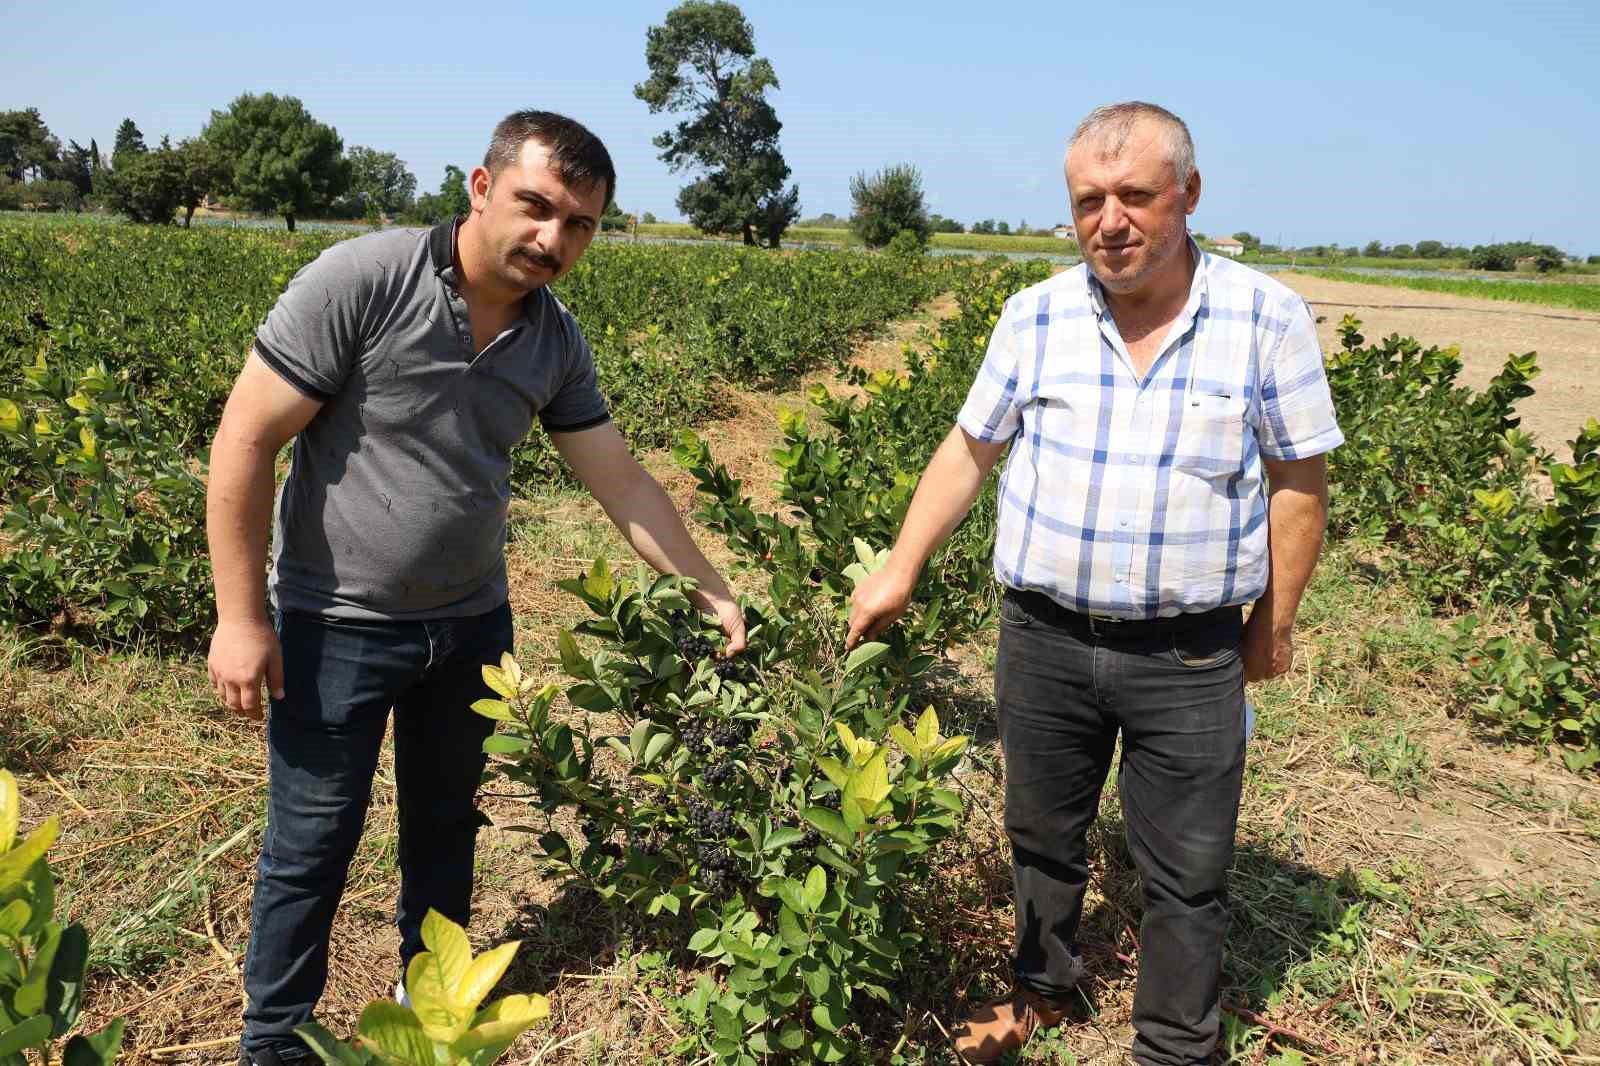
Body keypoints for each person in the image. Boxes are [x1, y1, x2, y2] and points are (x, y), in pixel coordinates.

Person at [207, 110, 746, 1065]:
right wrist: (242, 618)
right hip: (337, 625)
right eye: (537, 206)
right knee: (311, 847)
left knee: (447, 828)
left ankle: (431, 1020)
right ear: (481, 187)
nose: (553, 238)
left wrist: (709, 587)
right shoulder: (364, 282)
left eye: (579, 224)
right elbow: (246, 437)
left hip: (469, 628)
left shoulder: (554, 340)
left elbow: (618, 476)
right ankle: (275, 1045)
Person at [846, 101, 1341, 1065]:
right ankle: (1042, 993)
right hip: (1044, 637)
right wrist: (901, 565)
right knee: (1039, 832)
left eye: (1135, 196)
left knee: (1188, 871)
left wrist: (1271, 626)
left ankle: (1172, 1041)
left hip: (1189, 649)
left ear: (1188, 195)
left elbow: (1298, 482)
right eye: (1088, 200)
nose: (1110, 220)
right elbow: (968, 449)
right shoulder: (1035, 316)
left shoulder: (1264, 317)